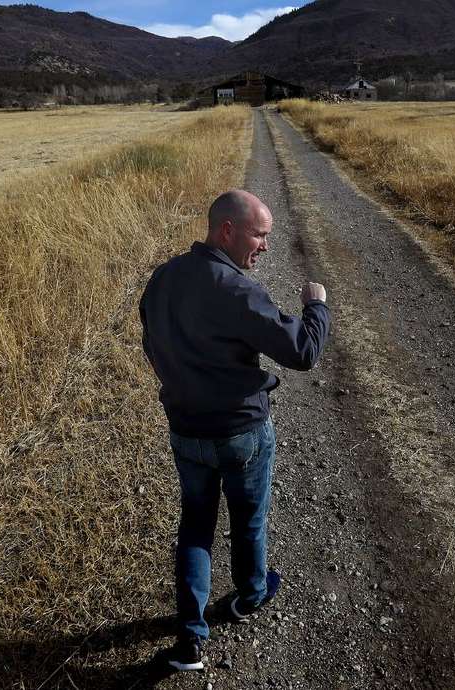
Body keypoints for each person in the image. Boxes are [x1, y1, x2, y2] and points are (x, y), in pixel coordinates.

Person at [139, 189, 332, 672]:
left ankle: (190, 636)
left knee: (195, 526)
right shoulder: (237, 289)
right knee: (248, 520)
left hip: (186, 429)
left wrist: (180, 382)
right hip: (241, 432)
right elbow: (302, 352)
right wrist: (316, 307)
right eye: (259, 235)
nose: (265, 245)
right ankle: (249, 596)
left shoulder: (163, 278)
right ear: (227, 231)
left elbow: (150, 341)